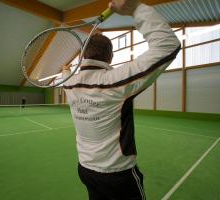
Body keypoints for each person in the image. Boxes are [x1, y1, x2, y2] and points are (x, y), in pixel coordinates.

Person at [63, 0, 180, 199]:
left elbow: (69, 73)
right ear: (110, 57)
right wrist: (136, 8)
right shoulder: (113, 81)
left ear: (83, 55)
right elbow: (168, 45)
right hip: (117, 175)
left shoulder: (68, 83)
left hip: (85, 169)